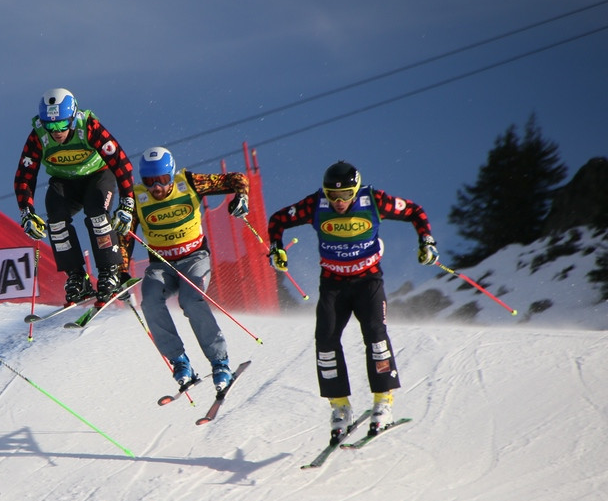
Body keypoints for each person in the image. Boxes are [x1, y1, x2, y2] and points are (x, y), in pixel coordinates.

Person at [267, 160, 438, 444]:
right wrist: (276, 249)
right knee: (325, 340)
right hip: (333, 284)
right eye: (333, 195)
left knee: (375, 335)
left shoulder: (374, 200)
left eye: (345, 195)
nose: (339, 201)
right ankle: (339, 407)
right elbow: (278, 220)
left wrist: (427, 241)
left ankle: (384, 401)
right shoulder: (316, 205)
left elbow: (414, 211)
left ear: (355, 190)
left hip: (368, 282)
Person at [133, 146, 251, 394]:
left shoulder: (188, 182)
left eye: (162, 180)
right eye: (149, 181)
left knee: (191, 299)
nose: (156, 187)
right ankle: (179, 361)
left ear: (171, 174)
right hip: (161, 265)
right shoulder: (135, 198)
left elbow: (236, 179)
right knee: (150, 300)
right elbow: (124, 238)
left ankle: (219, 363)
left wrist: (242, 196)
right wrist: (121, 270)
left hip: (194, 257)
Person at [14, 87, 136, 306]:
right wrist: (27, 212)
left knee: (96, 212)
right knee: (55, 218)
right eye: (50, 125)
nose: (56, 131)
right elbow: (24, 176)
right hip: (65, 182)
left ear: (72, 118)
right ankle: (77, 277)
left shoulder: (88, 126)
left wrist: (127, 203)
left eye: (61, 124)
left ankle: (110, 272)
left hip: (97, 176)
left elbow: (121, 162)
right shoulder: (39, 136)